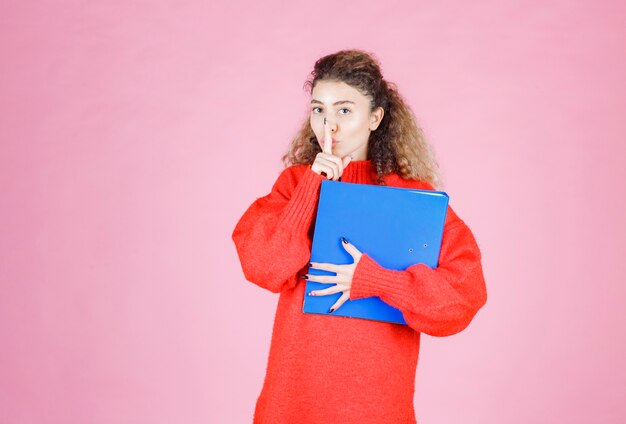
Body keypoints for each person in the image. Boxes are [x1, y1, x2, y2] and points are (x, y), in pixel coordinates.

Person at [231, 49, 487, 424]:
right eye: (319, 109)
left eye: (344, 111)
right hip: (292, 401)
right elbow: (264, 267)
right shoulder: (292, 186)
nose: (328, 126)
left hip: (375, 407)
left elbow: (461, 300)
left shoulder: (414, 199)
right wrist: (312, 188)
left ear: (375, 118)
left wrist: (377, 281)